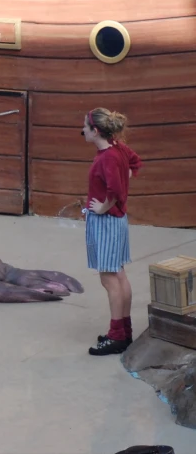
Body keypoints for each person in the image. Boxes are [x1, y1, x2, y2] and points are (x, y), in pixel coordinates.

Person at [81, 107, 141, 355]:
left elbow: (116, 191)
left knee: (109, 278)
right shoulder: (118, 148)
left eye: (84, 127)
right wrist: (121, 183)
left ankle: (117, 336)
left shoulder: (107, 156)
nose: (81, 131)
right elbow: (134, 163)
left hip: (106, 222)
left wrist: (104, 206)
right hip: (118, 221)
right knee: (119, 274)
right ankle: (124, 330)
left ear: (95, 131)